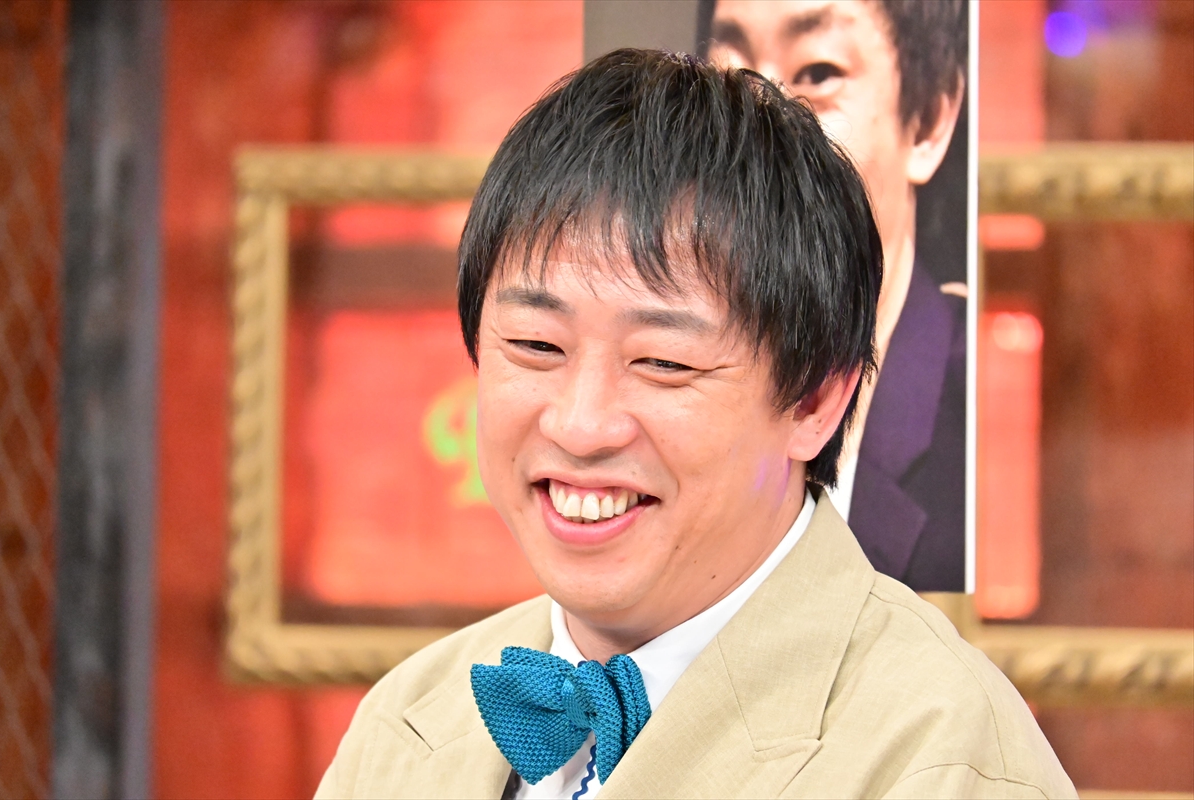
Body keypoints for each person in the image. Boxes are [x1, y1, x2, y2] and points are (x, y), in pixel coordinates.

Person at [316, 50, 1073, 799]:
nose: (581, 426)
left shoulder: (940, 760)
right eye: (536, 346)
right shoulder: (406, 722)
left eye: (663, 361)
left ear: (815, 401)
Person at [709, 0, 969, 591]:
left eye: (818, 73)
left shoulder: (973, 421)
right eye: (729, 77)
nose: (757, 128)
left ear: (928, 120)